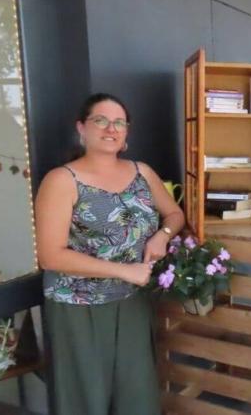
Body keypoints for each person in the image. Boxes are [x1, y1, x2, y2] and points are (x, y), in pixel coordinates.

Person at [35, 93, 185, 414]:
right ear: (82, 127)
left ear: (127, 132)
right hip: (78, 307)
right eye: (100, 120)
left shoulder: (142, 172)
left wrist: (163, 235)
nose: (111, 128)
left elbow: (175, 215)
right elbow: (51, 256)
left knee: (137, 399)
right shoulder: (62, 180)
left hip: (131, 303)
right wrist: (125, 271)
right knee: (84, 401)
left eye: (119, 122)